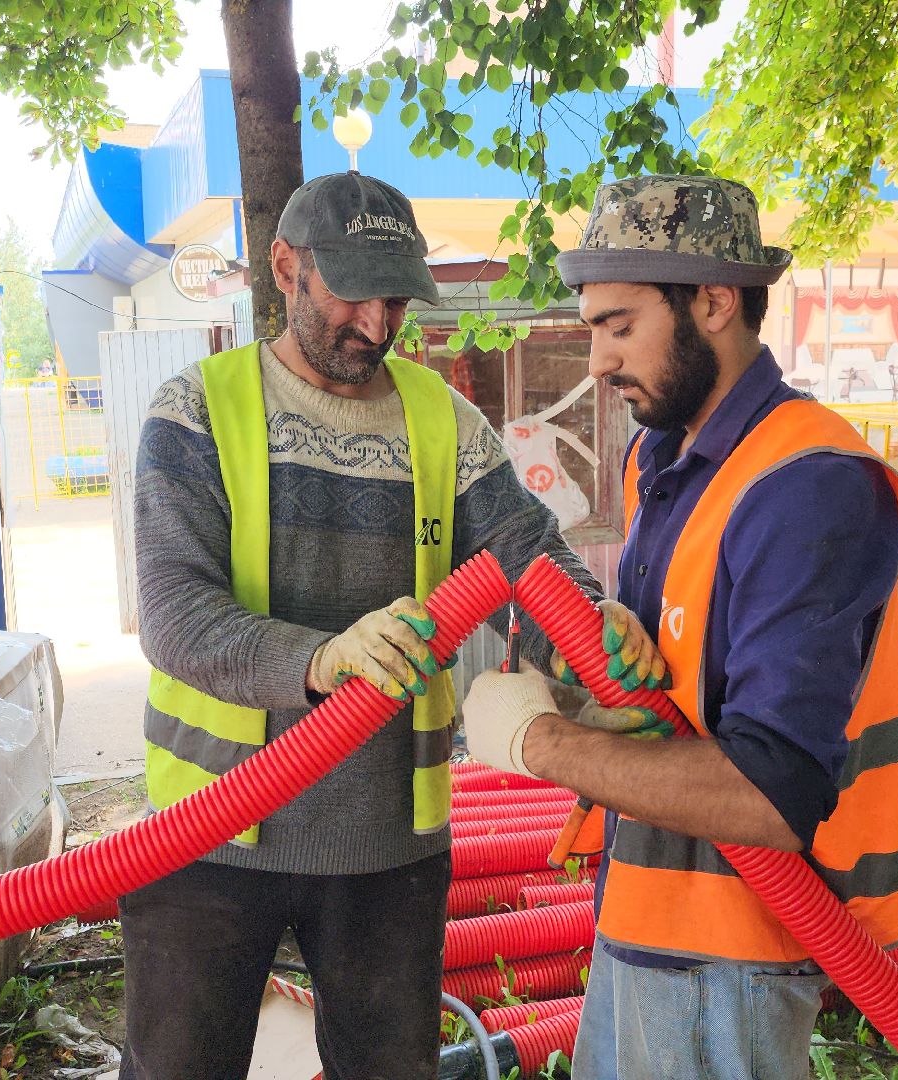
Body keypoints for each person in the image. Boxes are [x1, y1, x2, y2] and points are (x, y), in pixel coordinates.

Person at [122, 170, 606, 1080]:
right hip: (210, 832)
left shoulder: (444, 422)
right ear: (284, 268)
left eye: (396, 298)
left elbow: (528, 562)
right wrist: (320, 660)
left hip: (386, 845)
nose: (379, 325)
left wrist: (596, 628)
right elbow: (175, 617)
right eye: (353, 291)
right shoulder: (194, 412)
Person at [461, 175, 898, 1080]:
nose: (596, 360)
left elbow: (771, 794)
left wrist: (540, 741)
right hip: (644, 910)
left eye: (619, 326)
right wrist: (588, 689)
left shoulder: (809, 486)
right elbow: (673, 694)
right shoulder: (660, 457)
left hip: (734, 950)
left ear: (715, 302)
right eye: (592, 326)